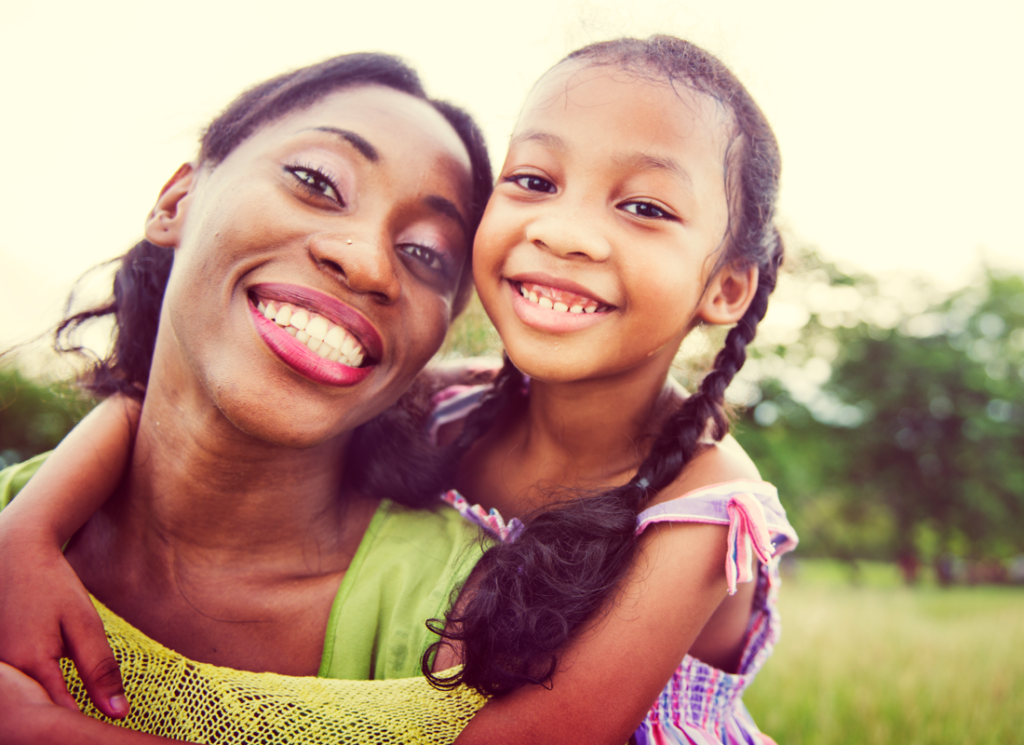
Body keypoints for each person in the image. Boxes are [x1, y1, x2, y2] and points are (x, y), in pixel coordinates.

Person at [0, 36, 796, 745]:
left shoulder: (707, 507)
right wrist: (28, 530)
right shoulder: (458, 404)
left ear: (725, 288)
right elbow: (155, 413)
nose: (563, 230)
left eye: (646, 206)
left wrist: (42, 727)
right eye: (534, 179)